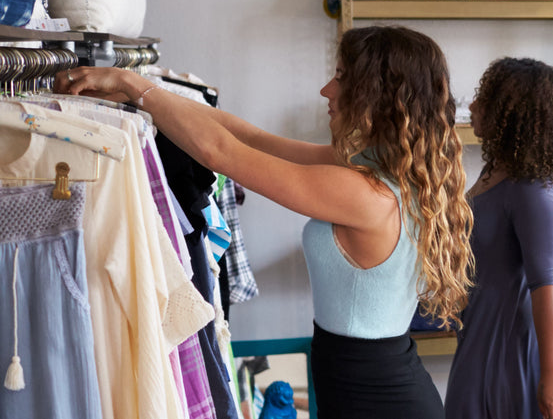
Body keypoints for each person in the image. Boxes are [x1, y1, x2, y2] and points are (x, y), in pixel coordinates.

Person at [56, 25, 474, 419]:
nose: (326, 90)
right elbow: (247, 138)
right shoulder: (384, 170)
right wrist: (139, 98)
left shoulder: (367, 194)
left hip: (379, 401)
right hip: (360, 385)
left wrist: (135, 86)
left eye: (341, 78)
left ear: (377, 94)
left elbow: (221, 154)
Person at [446, 57, 553, 419]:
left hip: (519, 349)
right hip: (484, 335)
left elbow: (546, 286)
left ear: (510, 113)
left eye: (486, 98)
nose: (474, 105)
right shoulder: (494, 173)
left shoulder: (533, 190)